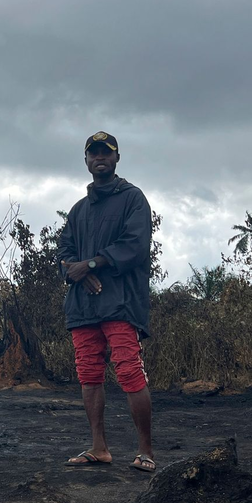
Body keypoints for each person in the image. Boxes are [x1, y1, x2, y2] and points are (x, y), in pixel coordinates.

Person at [57, 131, 156, 472]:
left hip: (121, 303)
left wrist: (94, 264)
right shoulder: (78, 210)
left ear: (116, 158)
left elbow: (135, 245)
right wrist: (78, 272)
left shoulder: (133, 199)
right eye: (93, 153)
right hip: (83, 307)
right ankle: (99, 449)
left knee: (129, 370)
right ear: (86, 161)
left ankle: (146, 452)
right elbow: (65, 253)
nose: (100, 157)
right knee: (88, 374)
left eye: (106, 152)